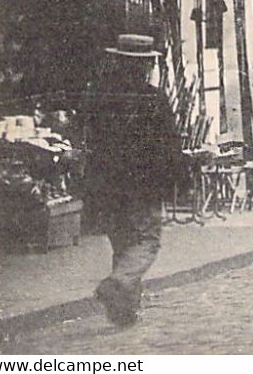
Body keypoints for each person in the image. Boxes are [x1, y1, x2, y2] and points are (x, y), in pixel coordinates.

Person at [82, 33, 183, 327]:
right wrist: (175, 178)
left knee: (123, 246)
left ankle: (123, 313)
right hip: (143, 186)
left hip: (108, 185)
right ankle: (116, 284)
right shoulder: (153, 98)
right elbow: (169, 144)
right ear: (145, 65)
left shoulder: (100, 95)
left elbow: (92, 137)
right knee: (146, 242)